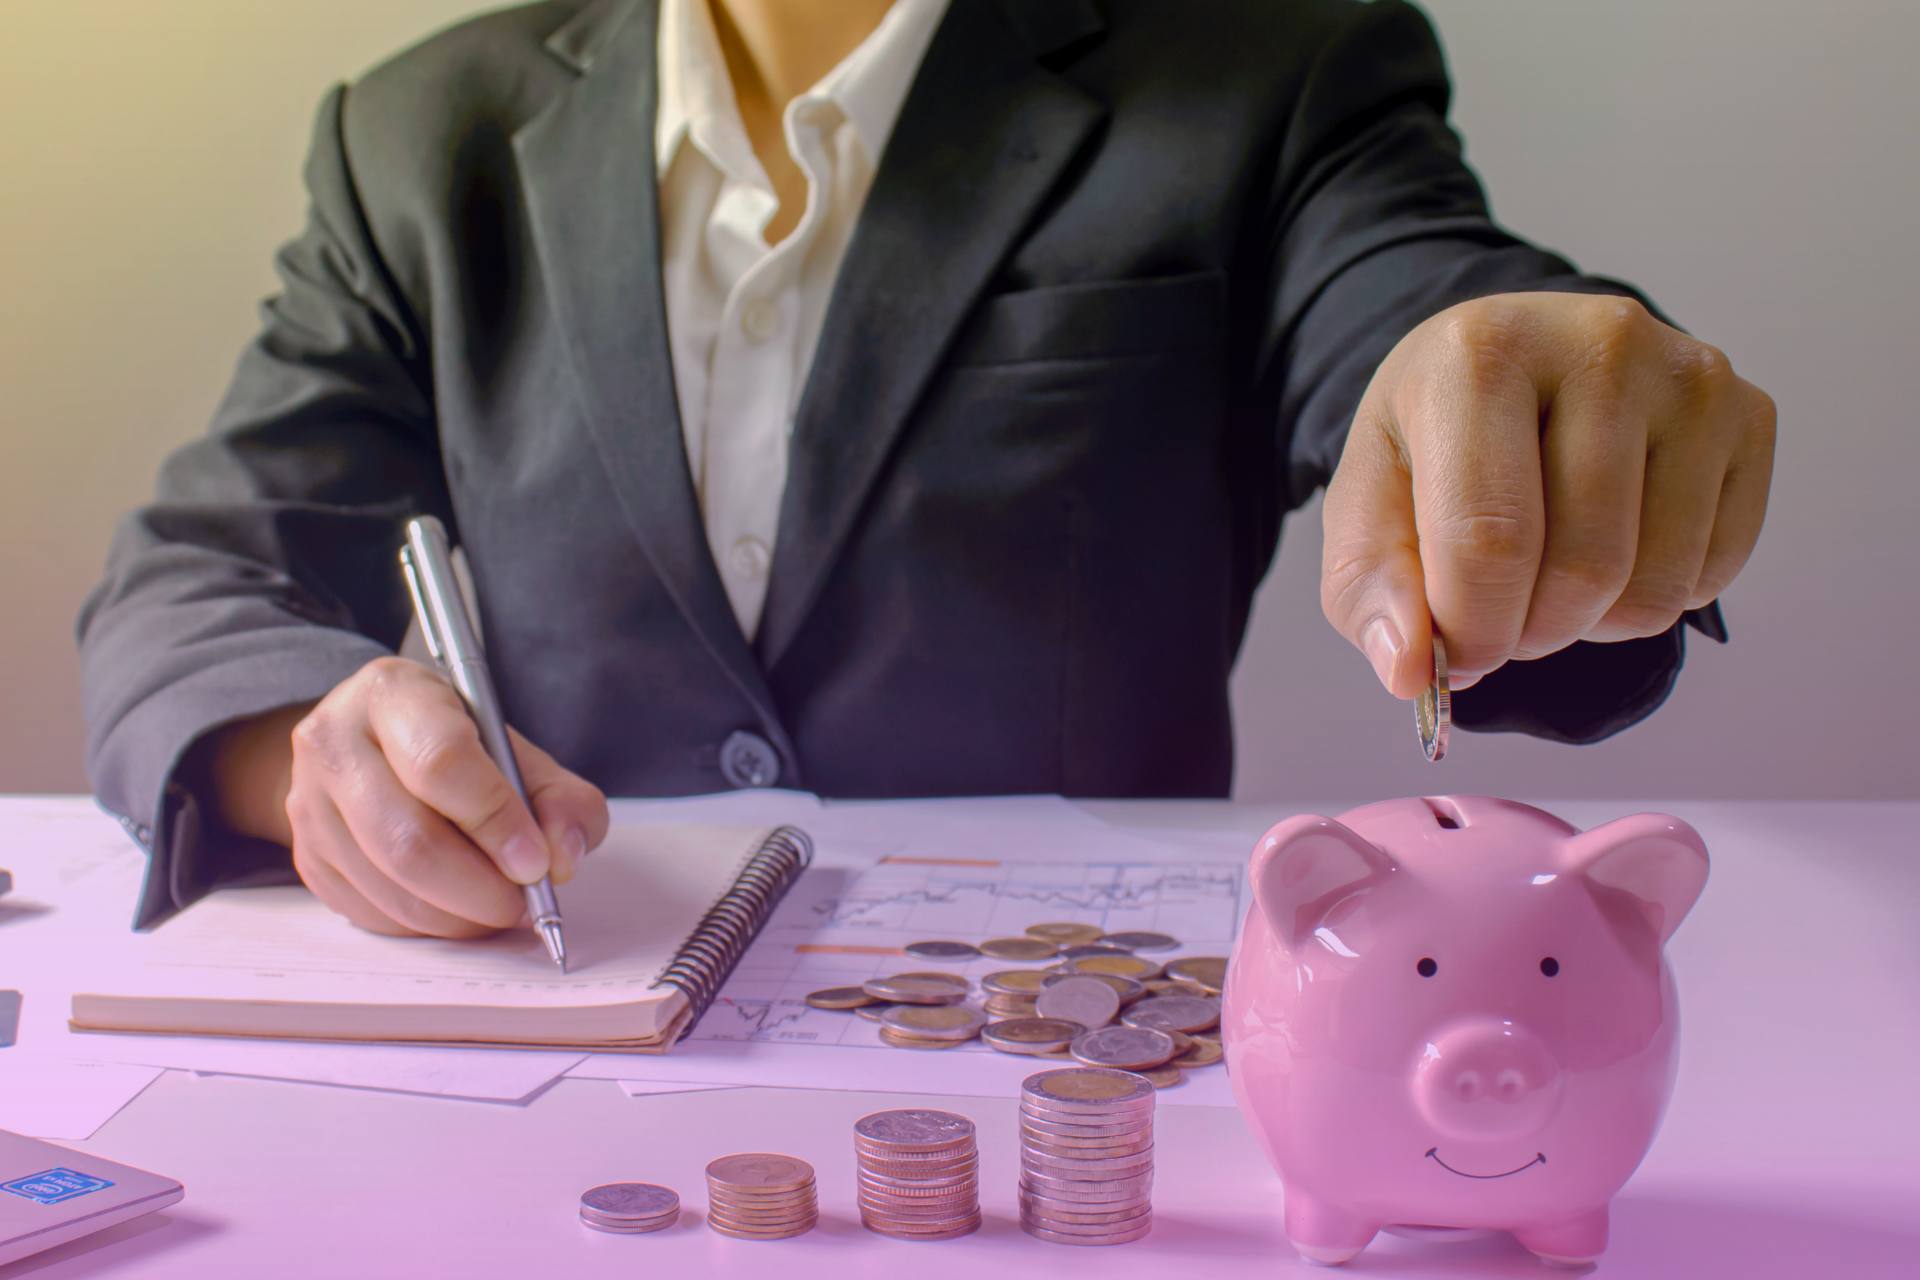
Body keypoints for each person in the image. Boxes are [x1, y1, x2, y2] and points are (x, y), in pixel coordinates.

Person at [79, 0, 1774, 935]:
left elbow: (1417, 301)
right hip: (561, 1046)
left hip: (1083, 1082)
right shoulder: (416, 134)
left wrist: (1522, 403)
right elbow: (196, 575)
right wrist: (299, 760)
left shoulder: (1274, 69)